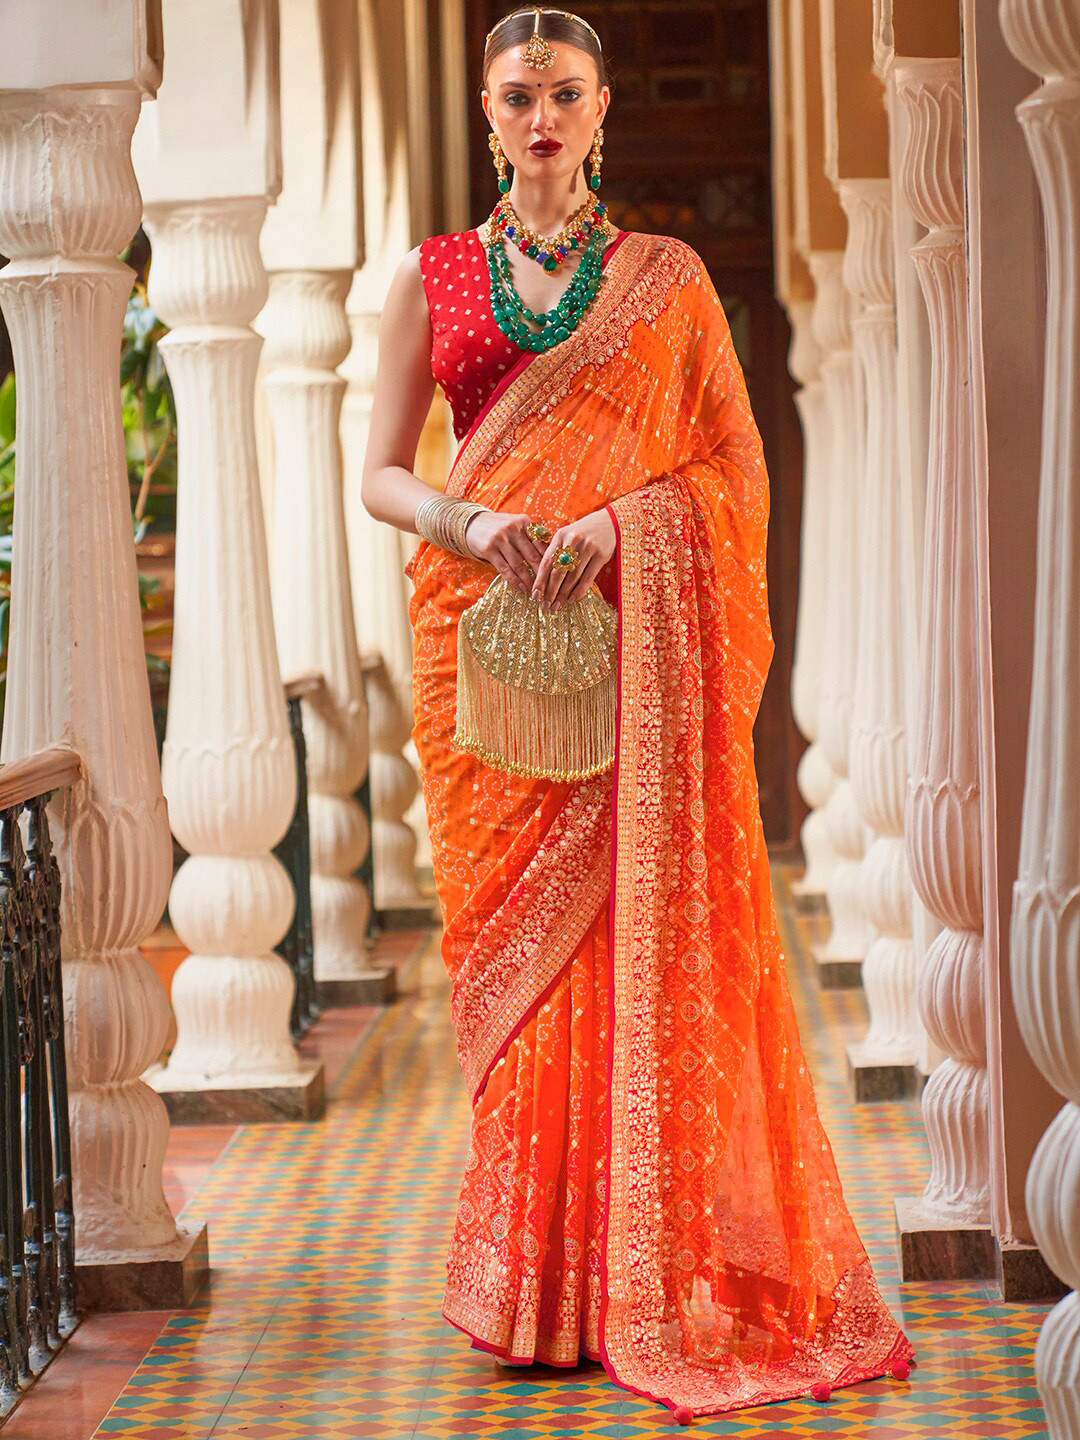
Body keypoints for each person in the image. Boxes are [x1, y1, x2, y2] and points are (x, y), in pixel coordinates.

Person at [361, 5, 913, 1424]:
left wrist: (623, 526)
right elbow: (377, 476)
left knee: (623, 953)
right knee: (518, 970)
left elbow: (731, 466)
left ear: (603, 111)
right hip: (483, 643)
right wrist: (475, 523)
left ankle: (637, 1278)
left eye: (563, 92)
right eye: (515, 93)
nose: (539, 115)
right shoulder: (432, 281)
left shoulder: (665, 281)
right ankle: (530, 1287)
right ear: (486, 113)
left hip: (626, 644)